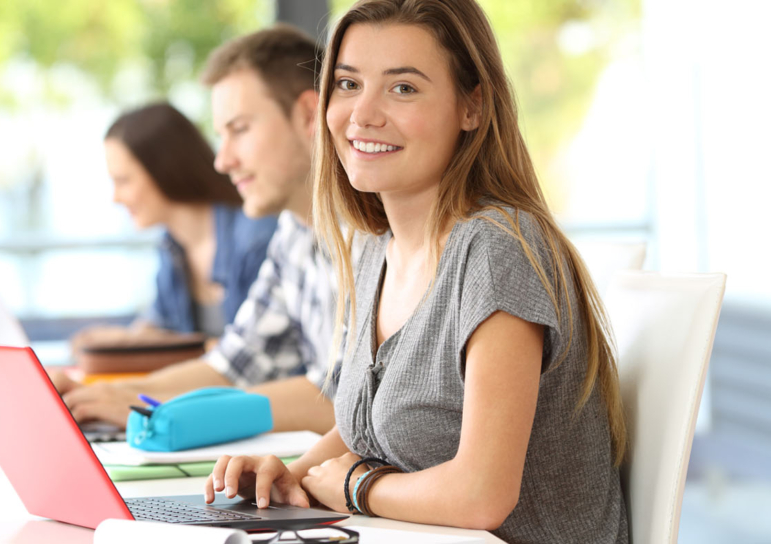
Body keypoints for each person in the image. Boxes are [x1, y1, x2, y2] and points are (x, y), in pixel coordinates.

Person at [205, 1, 629, 543]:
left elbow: (482, 496)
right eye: (349, 83)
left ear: (472, 106)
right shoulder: (373, 250)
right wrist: (294, 477)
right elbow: (367, 425)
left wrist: (357, 486)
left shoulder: (497, 250)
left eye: (403, 88)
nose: (363, 114)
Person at [55, 25, 349, 434]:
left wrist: (165, 412)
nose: (222, 161)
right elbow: (234, 365)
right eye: (220, 135)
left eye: (240, 129)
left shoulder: (375, 234)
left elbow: (349, 399)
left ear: (307, 116)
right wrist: (122, 394)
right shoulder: (293, 235)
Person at [72, 103, 278, 349]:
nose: (115, 198)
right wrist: (121, 341)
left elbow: (255, 354)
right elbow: (161, 325)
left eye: (123, 180)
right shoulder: (171, 248)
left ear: (164, 170)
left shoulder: (257, 238)